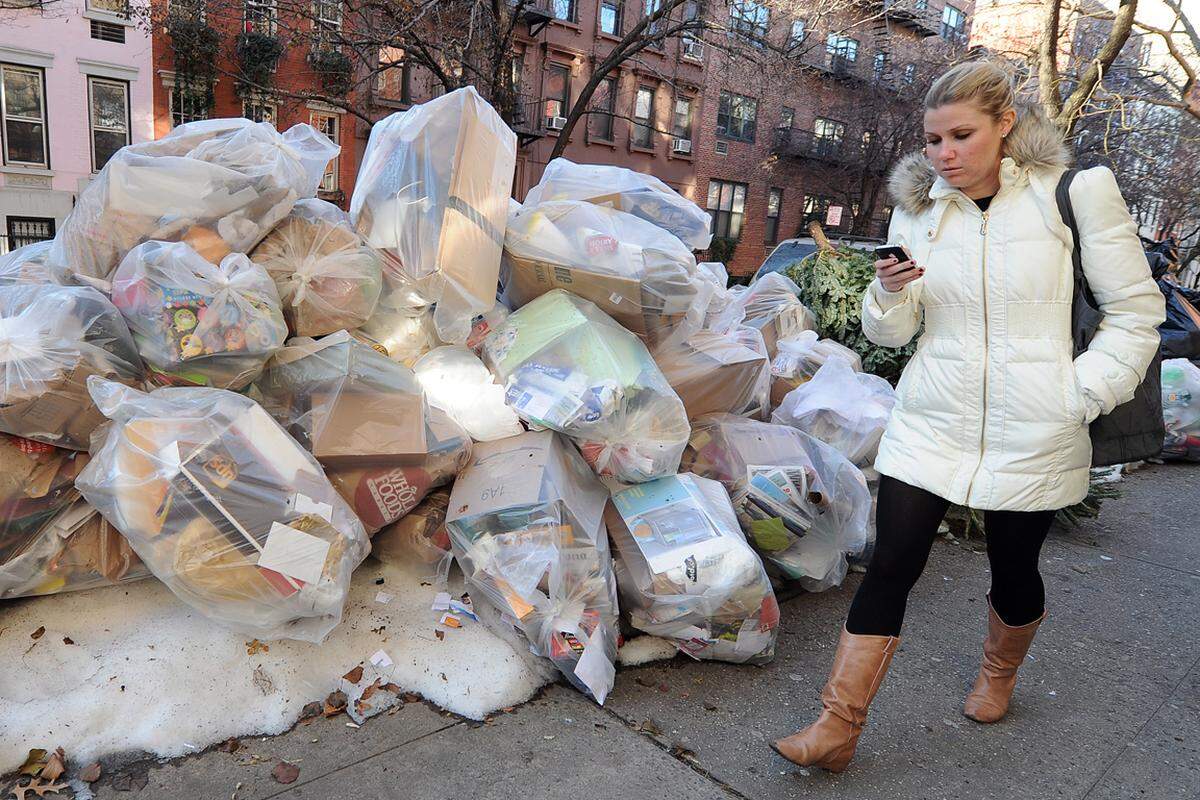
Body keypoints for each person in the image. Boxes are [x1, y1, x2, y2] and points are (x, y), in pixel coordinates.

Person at [771, 60, 1166, 773]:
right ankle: (836, 726)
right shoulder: (919, 211)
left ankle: (999, 672)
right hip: (933, 416)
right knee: (891, 562)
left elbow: (1137, 314)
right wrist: (889, 296)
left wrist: (1077, 395)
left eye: (960, 135)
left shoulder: (1072, 194)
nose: (943, 153)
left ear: (1004, 125)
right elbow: (892, 334)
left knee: (1013, 570)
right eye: (931, 139)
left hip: (1035, 424)